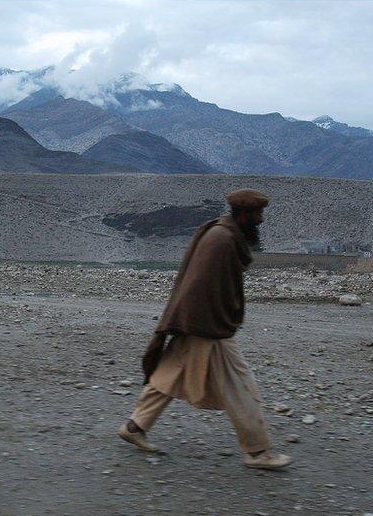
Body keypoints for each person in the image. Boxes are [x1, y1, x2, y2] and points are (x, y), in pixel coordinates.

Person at [118, 188, 292, 470]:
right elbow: (206, 288)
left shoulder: (220, 233)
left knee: (170, 373)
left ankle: (135, 426)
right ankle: (258, 451)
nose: (261, 219)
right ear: (244, 214)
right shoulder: (221, 240)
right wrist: (220, 323)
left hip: (198, 322)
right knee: (241, 387)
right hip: (210, 327)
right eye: (258, 214)